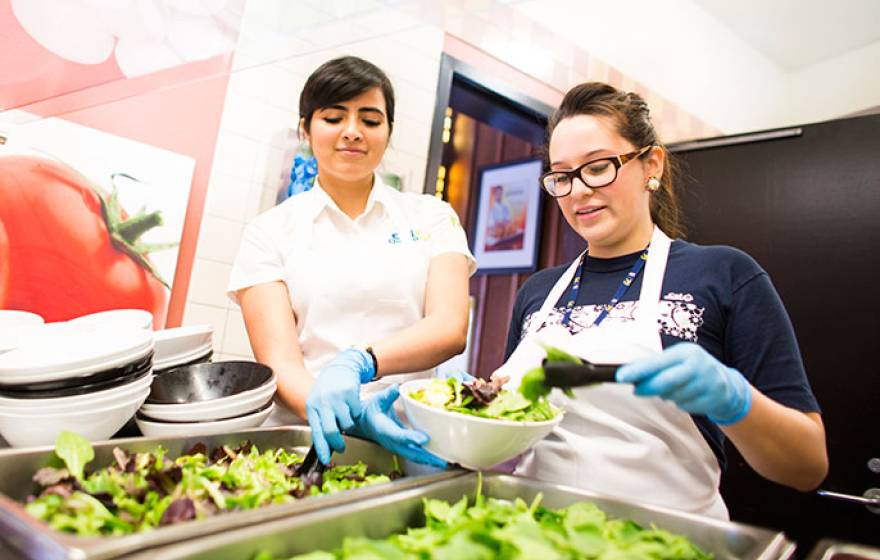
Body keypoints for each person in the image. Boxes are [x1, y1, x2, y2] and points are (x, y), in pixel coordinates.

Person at [491, 82, 828, 519]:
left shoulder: (724, 275)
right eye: (561, 176)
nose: (576, 191)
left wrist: (734, 400)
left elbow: (807, 466)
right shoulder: (537, 292)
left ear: (651, 164)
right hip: (538, 534)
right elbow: (505, 423)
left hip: (666, 539)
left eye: (597, 168)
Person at [227, 56, 476, 467]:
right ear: (305, 129)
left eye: (371, 120)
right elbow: (281, 363)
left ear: (388, 132)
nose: (352, 132)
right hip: (312, 436)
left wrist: (362, 361)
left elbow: (450, 327)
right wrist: (352, 418)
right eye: (333, 117)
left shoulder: (432, 216)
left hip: (414, 436)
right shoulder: (269, 231)